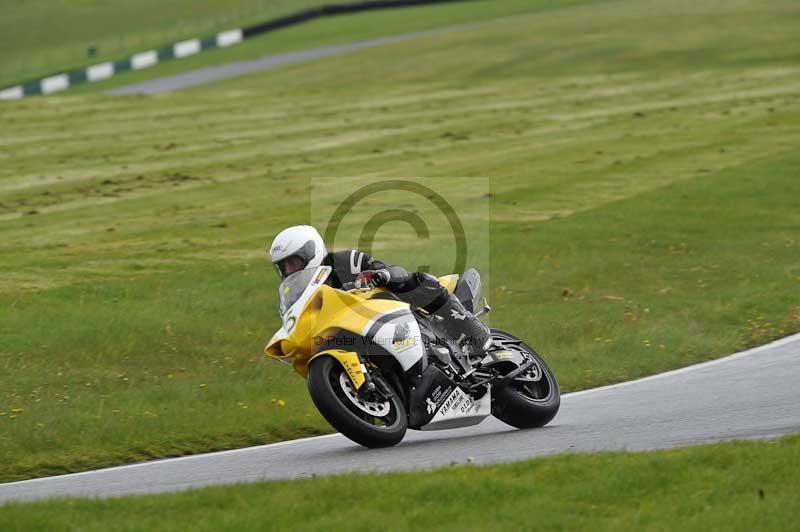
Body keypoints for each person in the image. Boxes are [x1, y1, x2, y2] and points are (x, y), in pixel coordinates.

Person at [268, 225, 491, 358]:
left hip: (391, 309)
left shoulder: (345, 261)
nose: (290, 270)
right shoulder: (302, 290)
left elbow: (383, 267)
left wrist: (377, 274)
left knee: (413, 280)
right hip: (358, 330)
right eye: (284, 266)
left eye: (294, 262)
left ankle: (472, 329)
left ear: (311, 251)